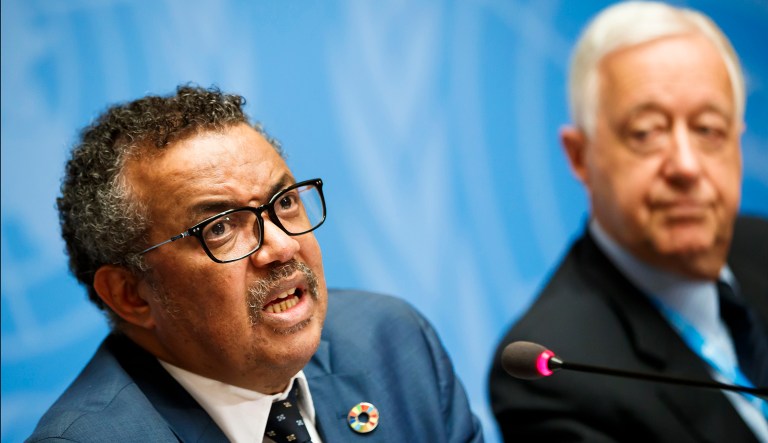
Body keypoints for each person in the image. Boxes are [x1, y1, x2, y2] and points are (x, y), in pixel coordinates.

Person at [28, 85, 483, 443]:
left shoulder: (393, 344)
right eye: (221, 228)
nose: (282, 248)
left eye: (285, 202)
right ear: (131, 294)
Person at [489, 2, 768, 442]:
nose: (686, 165)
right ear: (580, 156)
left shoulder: (762, 244)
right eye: (647, 132)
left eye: (708, 129)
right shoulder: (556, 370)